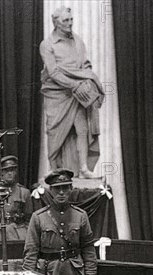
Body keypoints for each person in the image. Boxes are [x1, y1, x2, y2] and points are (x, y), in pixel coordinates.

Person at [40, 6, 105, 179]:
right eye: (65, 21)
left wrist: (86, 80)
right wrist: (74, 84)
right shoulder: (47, 45)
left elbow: (85, 64)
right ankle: (53, 169)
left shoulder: (77, 41)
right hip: (57, 94)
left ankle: (83, 168)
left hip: (79, 95)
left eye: (71, 20)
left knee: (82, 130)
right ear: (56, 23)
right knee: (54, 131)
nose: (70, 23)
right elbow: (53, 73)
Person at [22, 168, 97, 275]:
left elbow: (88, 250)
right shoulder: (39, 217)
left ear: (71, 189)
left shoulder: (80, 216)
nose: (61, 192)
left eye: (65, 188)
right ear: (51, 190)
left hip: (73, 274)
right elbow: (31, 252)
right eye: (57, 188)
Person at [0, 155, 33, 241]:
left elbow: (29, 220)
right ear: (1, 173)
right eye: (6, 170)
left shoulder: (24, 192)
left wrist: (27, 236)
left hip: (18, 235)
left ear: (16, 172)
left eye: (12, 170)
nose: (10, 173)